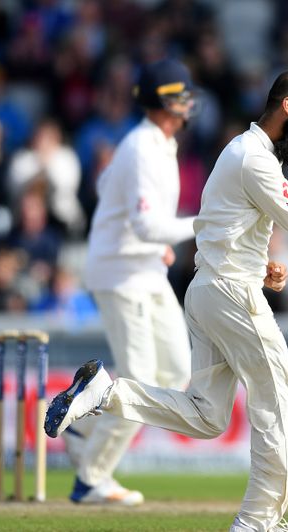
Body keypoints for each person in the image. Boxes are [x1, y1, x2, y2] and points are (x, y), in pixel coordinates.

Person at [44, 69, 288, 531]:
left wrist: (260, 265)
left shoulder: (247, 153)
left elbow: (220, 225)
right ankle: (258, 520)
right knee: (280, 399)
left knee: (207, 416)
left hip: (210, 290)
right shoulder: (252, 157)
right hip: (227, 292)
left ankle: (108, 392)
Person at [60, 58, 200, 506]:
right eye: (180, 97)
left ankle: (82, 424)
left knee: (177, 372)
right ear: (161, 104)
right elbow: (145, 225)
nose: (187, 105)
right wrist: (206, 223)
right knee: (139, 378)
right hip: (121, 275)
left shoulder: (158, 144)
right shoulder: (141, 146)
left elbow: (107, 186)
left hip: (146, 270)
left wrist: (144, 233)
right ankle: (91, 479)